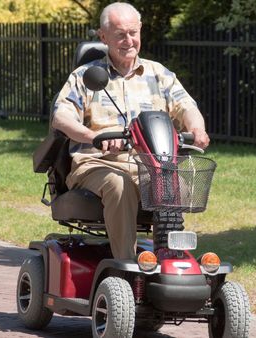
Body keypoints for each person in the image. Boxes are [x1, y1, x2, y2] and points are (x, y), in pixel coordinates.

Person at [51, 2, 209, 260]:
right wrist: (94, 137)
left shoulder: (159, 74)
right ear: (103, 37)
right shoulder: (86, 76)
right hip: (96, 163)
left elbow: (186, 106)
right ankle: (125, 266)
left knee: (175, 183)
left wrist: (197, 128)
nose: (128, 40)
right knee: (118, 185)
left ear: (140, 31)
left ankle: (168, 258)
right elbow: (61, 116)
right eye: (120, 34)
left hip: (150, 163)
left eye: (133, 33)